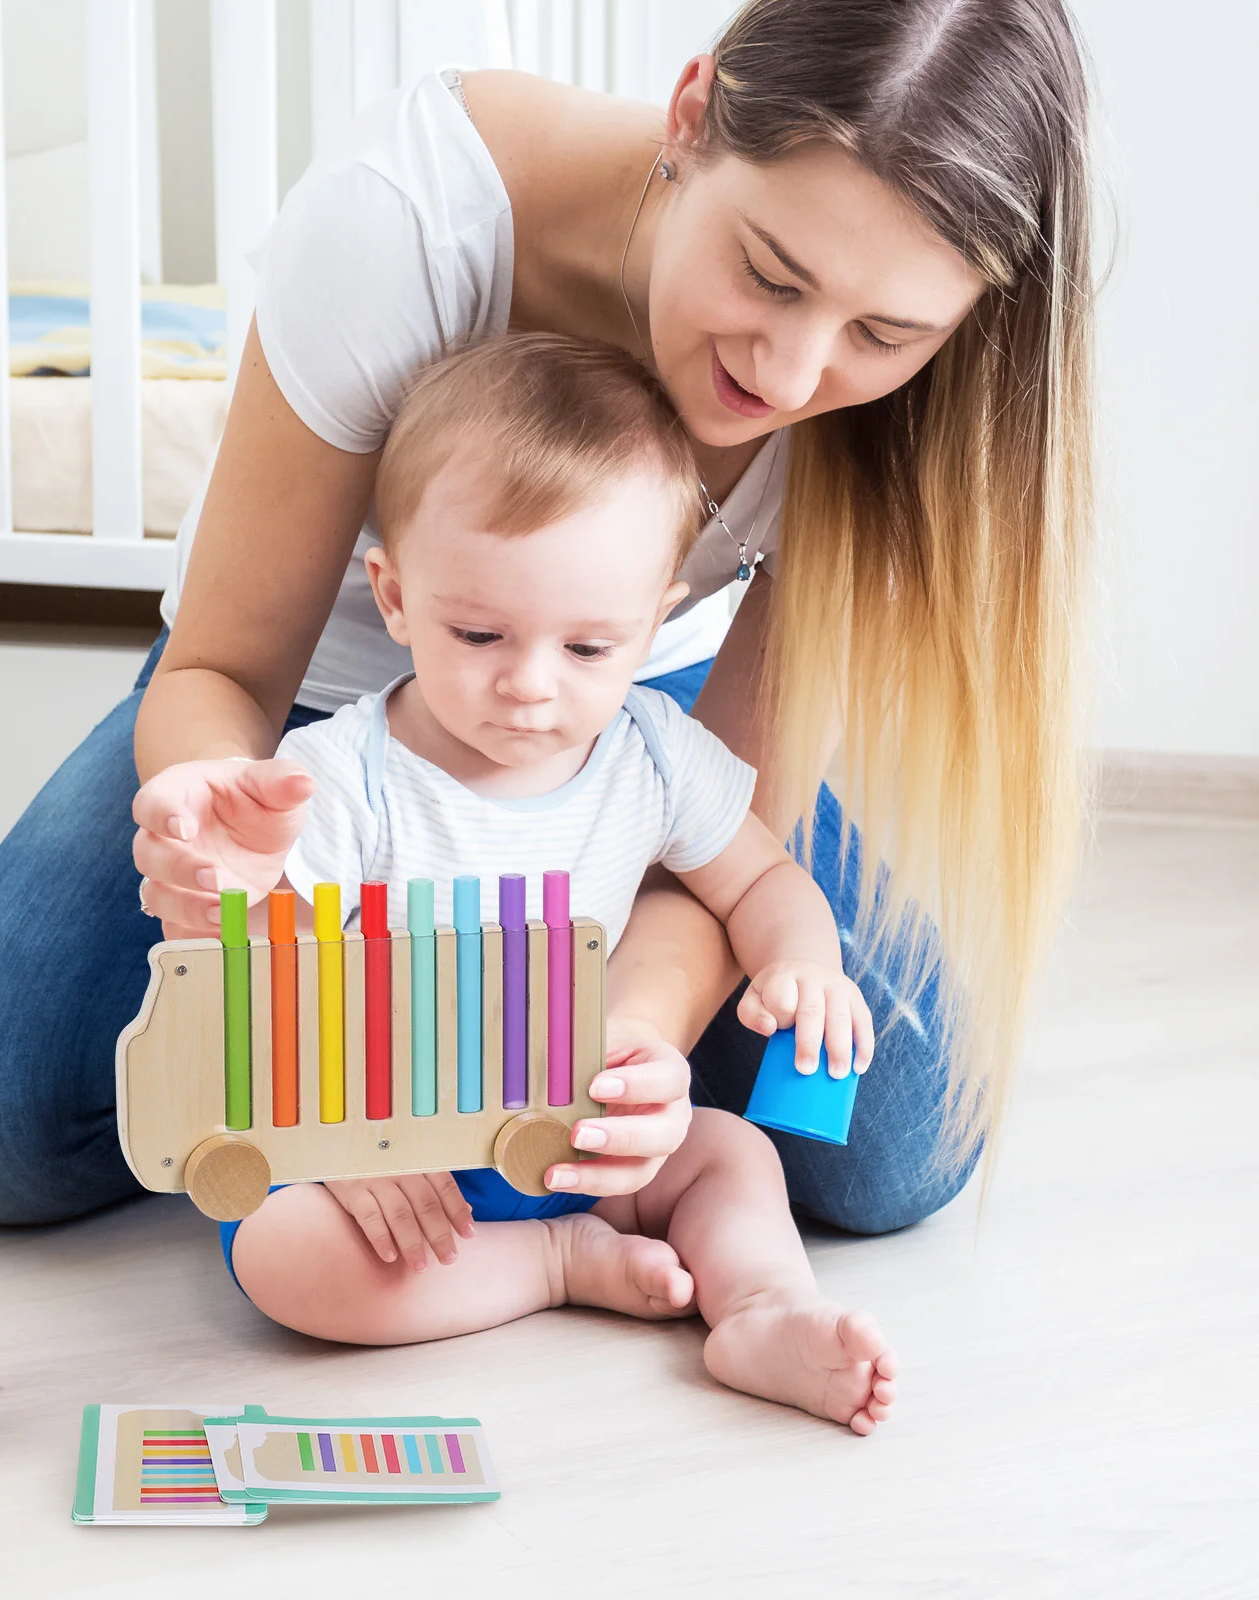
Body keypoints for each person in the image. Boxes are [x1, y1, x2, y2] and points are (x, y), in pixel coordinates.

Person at [0, 1, 1096, 1252]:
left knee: (892, 1157)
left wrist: (623, 1042)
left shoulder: (900, 413)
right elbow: (225, 668)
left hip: (633, 725)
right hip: (314, 718)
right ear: (691, 115)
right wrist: (249, 886)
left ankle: (549, 1078)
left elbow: (728, 832)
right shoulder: (410, 219)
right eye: (769, 273)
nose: (794, 374)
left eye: (883, 333)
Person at [186, 332, 897, 1433]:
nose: (527, 685)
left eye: (587, 649)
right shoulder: (338, 779)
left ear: (654, 622)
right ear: (394, 597)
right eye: (479, 632)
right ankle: (553, 1266)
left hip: (575, 1135)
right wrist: (330, 1138)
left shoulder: (651, 754)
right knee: (283, 1255)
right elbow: (255, 983)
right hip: (387, 1153)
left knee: (730, 1152)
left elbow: (761, 877)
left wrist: (804, 963)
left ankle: (762, 1306)